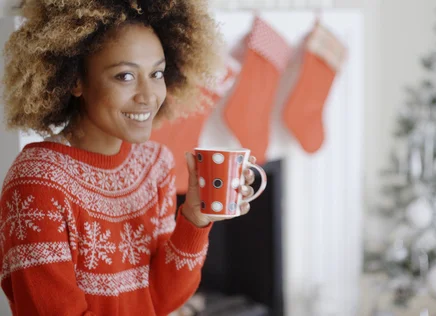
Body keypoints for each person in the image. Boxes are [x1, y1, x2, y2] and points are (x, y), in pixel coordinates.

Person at [0, 1, 257, 315]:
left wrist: (194, 217)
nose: (148, 96)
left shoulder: (155, 164)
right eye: (124, 76)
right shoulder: (37, 183)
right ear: (75, 80)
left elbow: (160, 300)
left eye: (157, 73)